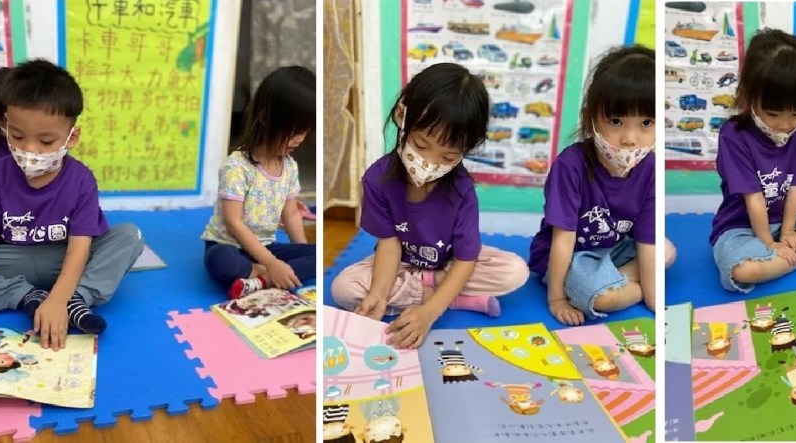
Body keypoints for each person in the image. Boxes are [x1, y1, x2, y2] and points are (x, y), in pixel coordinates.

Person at [331, 63, 529, 349]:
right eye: (421, 145)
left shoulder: (461, 190)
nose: (430, 163)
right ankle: (455, 298)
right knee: (344, 288)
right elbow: (389, 245)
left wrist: (430, 313)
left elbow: (466, 260)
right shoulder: (377, 179)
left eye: (448, 157)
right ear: (402, 116)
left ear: (467, 149)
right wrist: (378, 294)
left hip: (449, 263)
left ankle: (433, 293)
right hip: (400, 263)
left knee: (514, 271)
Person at [0, 59, 144, 349]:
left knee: (130, 235)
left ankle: (77, 298)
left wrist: (60, 299)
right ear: (6, 126)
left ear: (71, 137)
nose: (30, 150)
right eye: (17, 136)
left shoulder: (82, 179)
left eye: (46, 141)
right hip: (13, 259)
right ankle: (28, 297)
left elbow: (80, 246)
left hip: (63, 258)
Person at [709, 29, 796, 294]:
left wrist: (787, 233)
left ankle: (783, 259)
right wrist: (768, 244)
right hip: (742, 227)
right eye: (773, 113)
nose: (786, 125)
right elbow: (754, 199)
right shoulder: (734, 134)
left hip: (788, 218)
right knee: (742, 271)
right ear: (748, 95)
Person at [529, 45, 656, 325]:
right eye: (616, 121)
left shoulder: (650, 168)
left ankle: (612, 281)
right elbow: (563, 239)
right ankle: (611, 283)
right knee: (601, 299)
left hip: (615, 248)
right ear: (591, 118)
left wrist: (653, 298)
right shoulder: (570, 165)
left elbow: (647, 239)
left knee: (665, 251)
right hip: (568, 256)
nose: (630, 138)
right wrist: (557, 299)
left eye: (646, 122)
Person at [201, 66, 317, 299]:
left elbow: (291, 215)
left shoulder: (290, 167)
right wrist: (272, 263)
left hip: (265, 248)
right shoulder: (237, 167)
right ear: (265, 119)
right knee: (221, 262)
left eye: (305, 131)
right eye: (293, 130)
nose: (300, 139)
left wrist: (302, 249)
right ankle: (264, 272)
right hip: (229, 245)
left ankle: (261, 281)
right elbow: (234, 223)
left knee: (316, 255)